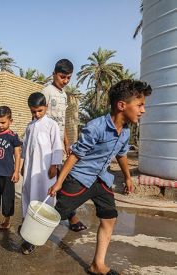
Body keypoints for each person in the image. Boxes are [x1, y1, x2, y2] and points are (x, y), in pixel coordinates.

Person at [47, 80, 152, 274]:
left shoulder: (125, 132)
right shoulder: (96, 127)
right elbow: (75, 155)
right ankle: (30, 235)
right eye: (139, 105)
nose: (143, 110)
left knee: (109, 217)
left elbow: (121, 155)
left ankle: (97, 265)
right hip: (79, 179)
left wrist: (128, 177)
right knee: (54, 216)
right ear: (122, 106)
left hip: (102, 179)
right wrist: (59, 183)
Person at [42, 58, 87, 232]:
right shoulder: (46, 91)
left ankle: (70, 216)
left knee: (61, 181)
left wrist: (67, 143)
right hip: (47, 146)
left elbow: (62, 124)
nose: (65, 81)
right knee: (48, 180)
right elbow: (38, 117)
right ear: (54, 74)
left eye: (68, 78)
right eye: (62, 77)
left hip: (58, 147)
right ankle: (44, 217)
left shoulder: (63, 95)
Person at [20, 92, 63, 253]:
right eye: (33, 111)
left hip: (46, 171)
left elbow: (56, 146)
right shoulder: (30, 126)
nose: (36, 114)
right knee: (28, 195)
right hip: (31, 169)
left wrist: (55, 165)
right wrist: (24, 165)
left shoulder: (51, 125)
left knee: (44, 197)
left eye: (39, 111)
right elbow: (26, 148)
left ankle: (40, 229)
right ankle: (27, 227)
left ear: (46, 107)